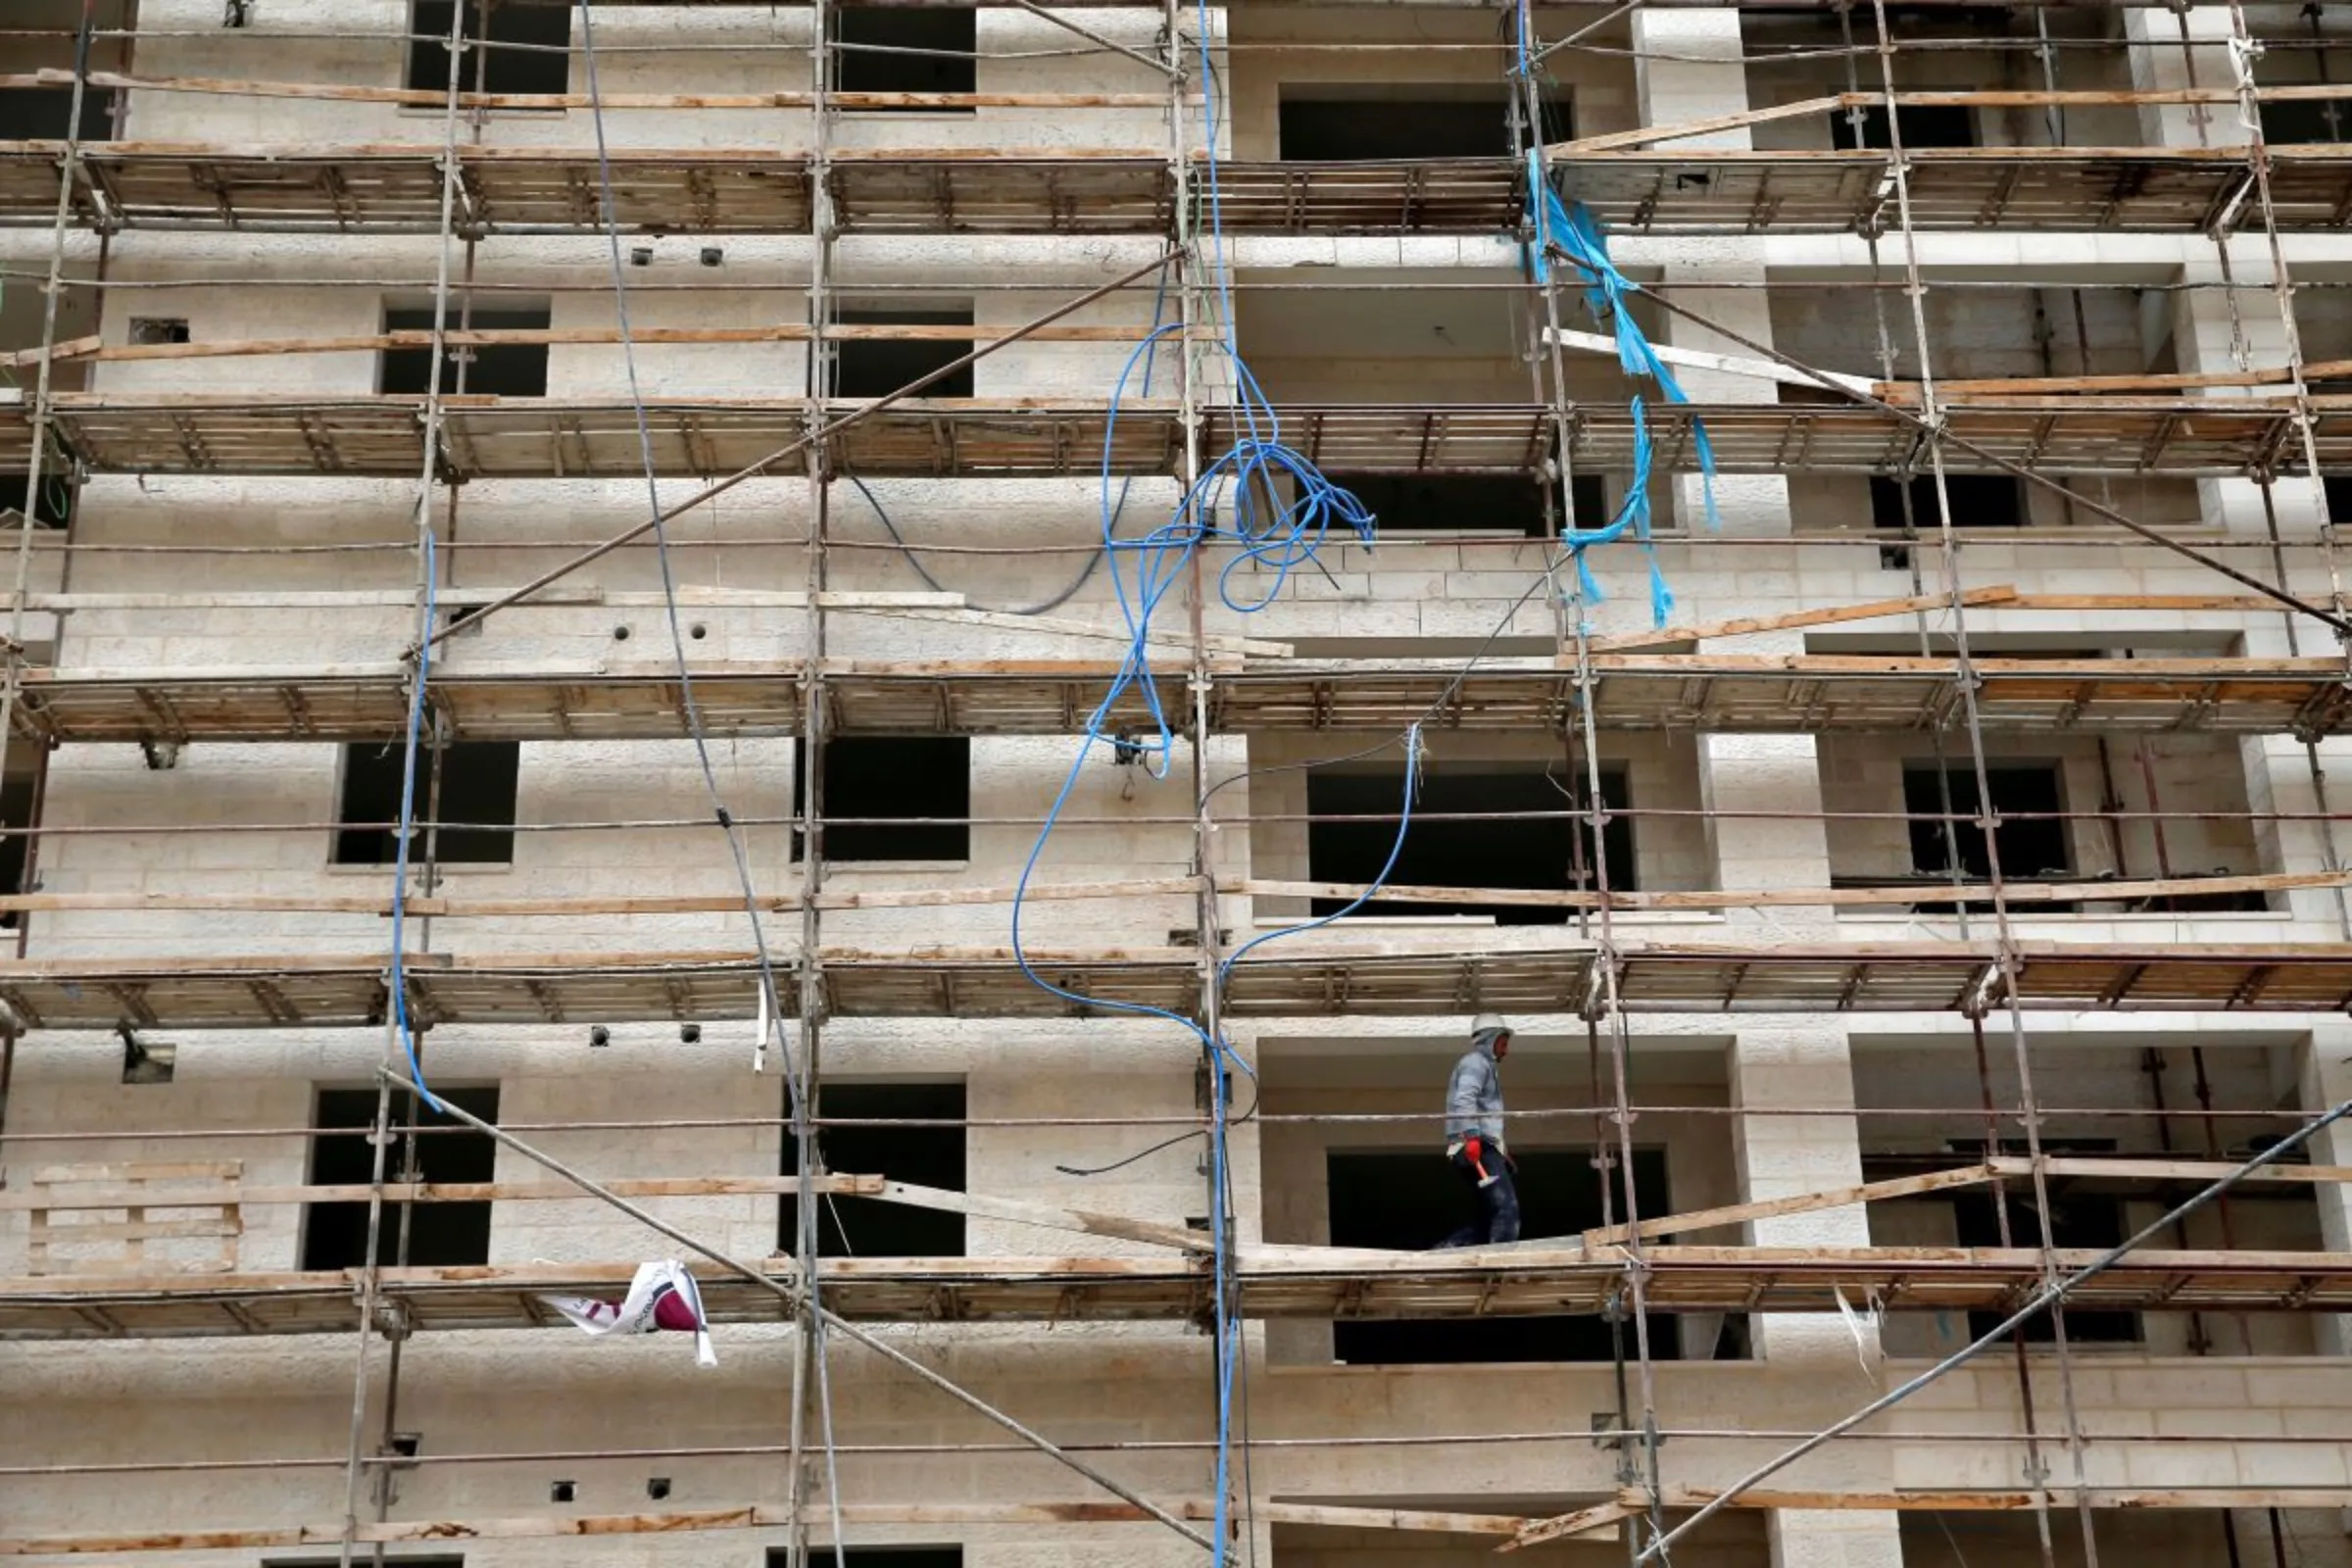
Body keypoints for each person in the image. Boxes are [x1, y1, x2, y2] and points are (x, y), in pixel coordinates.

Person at [1440, 1014, 1519, 1249]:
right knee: (1507, 1211)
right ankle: (1500, 1262)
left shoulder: (1482, 1065)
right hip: (1475, 1144)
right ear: (1490, 1039)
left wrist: (1501, 1151)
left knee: (1487, 1219)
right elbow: (1465, 1100)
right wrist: (1471, 1136)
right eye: (1503, 1044)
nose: (1506, 1051)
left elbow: (1486, 1116)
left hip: (1479, 1144)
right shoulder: (1476, 1062)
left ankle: (1449, 1249)